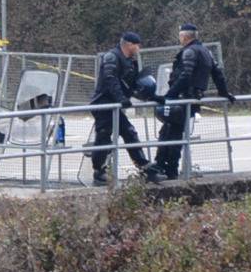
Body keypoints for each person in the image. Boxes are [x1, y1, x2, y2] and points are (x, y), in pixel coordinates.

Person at [153, 22, 233, 179]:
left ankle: (168, 169)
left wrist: (170, 95)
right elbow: (218, 74)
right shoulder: (206, 52)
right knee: (171, 132)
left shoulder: (189, 52)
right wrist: (224, 92)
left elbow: (186, 75)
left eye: (180, 36)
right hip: (193, 99)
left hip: (183, 99)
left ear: (183, 36)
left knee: (171, 133)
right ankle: (164, 167)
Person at [89, 31, 155, 184]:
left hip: (115, 106)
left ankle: (144, 167)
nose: (139, 48)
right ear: (129, 45)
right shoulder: (111, 57)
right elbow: (110, 79)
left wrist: (151, 96)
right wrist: (121, 98)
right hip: (103, 104)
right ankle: (99, 172)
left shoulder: (130, 61)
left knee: (129, 132)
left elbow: (133, 84)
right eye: (137, 45)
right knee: (104, 137)